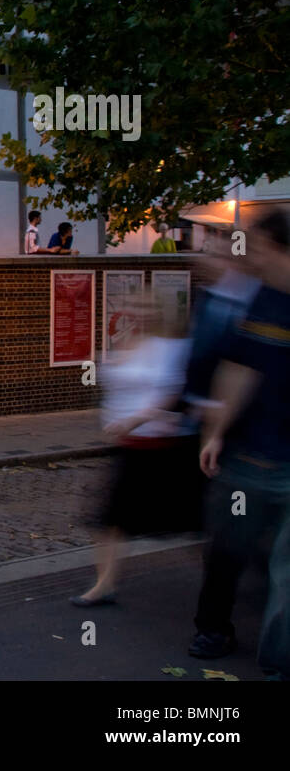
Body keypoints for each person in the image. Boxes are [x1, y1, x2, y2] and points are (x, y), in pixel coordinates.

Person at [189, 210, 290, 679]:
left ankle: (277, 664)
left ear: (277, 246)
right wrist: (216, 432)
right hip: (249, 457)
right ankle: (213, 628)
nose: (247, 254)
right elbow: (242, 367)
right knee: (227, 546)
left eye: (257, 246)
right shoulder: (265, 301)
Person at [72, 294, 201, 607]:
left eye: (146, 307)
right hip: (130, 449)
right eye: (135, 307)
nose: (140, 313)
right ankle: (105, 584)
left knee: (192, 522)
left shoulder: (171, 348)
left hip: (163, 449)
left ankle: (227, 573)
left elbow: (171, 393)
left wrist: (135, 419)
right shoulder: (123, 346)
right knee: (107, 519)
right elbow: (111, 388)